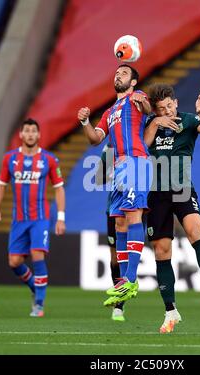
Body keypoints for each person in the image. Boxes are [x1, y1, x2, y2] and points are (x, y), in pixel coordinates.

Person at [144, 84, 200, 333]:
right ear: (156, 111)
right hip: (157, 192)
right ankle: (171, 312)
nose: (167, 111)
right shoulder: (152, 124)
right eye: (161, 109)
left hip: (182, 188)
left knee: (195, 228)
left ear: (176, 103)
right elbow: (143, 146)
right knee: (161, 250)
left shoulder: (190, 121)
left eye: (169, 105)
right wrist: (156, 123)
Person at [78, 64, 152, 307]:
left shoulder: (136, 98)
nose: (118, 75)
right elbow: (95, 139)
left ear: (132, 82)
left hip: (135, 163)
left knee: (133, 216)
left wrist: (141, 99)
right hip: (119, 169)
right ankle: (123, 283)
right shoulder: (109, 111)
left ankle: (131, 279)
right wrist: (85, 122)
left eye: (124, 73)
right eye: (117, 73)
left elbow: (147, 107)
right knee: (119, 221)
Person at [0, 118, 66, 317]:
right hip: (19, 219)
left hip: (40, 217)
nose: (31, 134)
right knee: (14, 262)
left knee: (37, 254)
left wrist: (60, 217)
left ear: (39, 135)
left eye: (34, 131)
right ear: (21, 135)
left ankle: (39, 305)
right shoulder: (10, 158)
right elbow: (0, 185)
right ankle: (35, 286)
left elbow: (59, 189)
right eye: (27, 131)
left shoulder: (49, 159)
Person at [95, 143, 125, 321]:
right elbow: (99, 179)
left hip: (138, 205)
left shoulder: (140, 140)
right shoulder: (110, 149)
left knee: (130, 253)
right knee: (116, 257)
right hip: (114, 208)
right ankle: (119, 303)